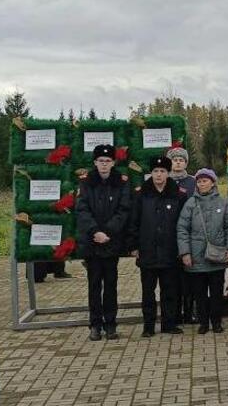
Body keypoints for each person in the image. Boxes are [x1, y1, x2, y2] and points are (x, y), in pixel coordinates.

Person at [76, 143, 133, 341]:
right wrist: (95, 232)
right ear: (95, 162)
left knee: (110, 285)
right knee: (94, 285)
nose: (104, 165)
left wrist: (107, 232)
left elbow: (124, 210)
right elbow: (82, 210)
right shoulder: (85, 182)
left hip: (111, 242)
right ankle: (95, 325)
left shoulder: (121, 182)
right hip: (92, 243)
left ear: (113, 163)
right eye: (101, 161)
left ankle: (110, 324)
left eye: (108, 161)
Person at [129, 156, 188, 336]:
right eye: (155, 171)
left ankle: (169, 324)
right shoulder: (141, 194)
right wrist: (134, 246)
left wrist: (183, 249)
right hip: (147, 251)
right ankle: (148, 326)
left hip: (170, 251)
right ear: (151, 173)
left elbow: (184, 223)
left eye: (162, 171)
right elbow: (133, 221)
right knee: (148, 292)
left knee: (169, 290)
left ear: (168, 173)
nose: (159, 175)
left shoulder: (179, 195)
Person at [177, 168, 228, 334]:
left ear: (212, 182)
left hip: (217, 256)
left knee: (217, 292)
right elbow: (182, 229)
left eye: (205, 180)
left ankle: (216, 322)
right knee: (199, 293)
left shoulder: (223, 202)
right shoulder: (190, 203)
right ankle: (203, 323)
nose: (201, 183)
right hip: (196, 257)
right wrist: (185, 253)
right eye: (199, 181)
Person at [166, 146, 198, 325]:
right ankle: (174, 312)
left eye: (181, 160)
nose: (178, 162)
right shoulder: (164, 180)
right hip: (169, 236)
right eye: (175, 159)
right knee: (171, 278)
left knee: (189, 277)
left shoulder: (193, 182)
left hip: (190, 236)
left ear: (186, 162)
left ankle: (190, 311)